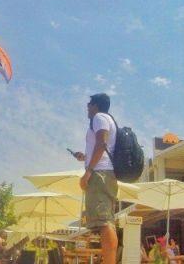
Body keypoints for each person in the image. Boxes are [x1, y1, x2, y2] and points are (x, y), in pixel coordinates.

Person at [74, 93, 119, 264]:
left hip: (100, 174)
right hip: (105, 173)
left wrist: (88, 171)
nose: (87, 106)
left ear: (96, 106)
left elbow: (102, 144)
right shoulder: (108, 119)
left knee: (105, 222)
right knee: (106, 221)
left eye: (89, 103)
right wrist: (85, 157)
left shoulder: (99, 117)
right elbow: (101, 147)